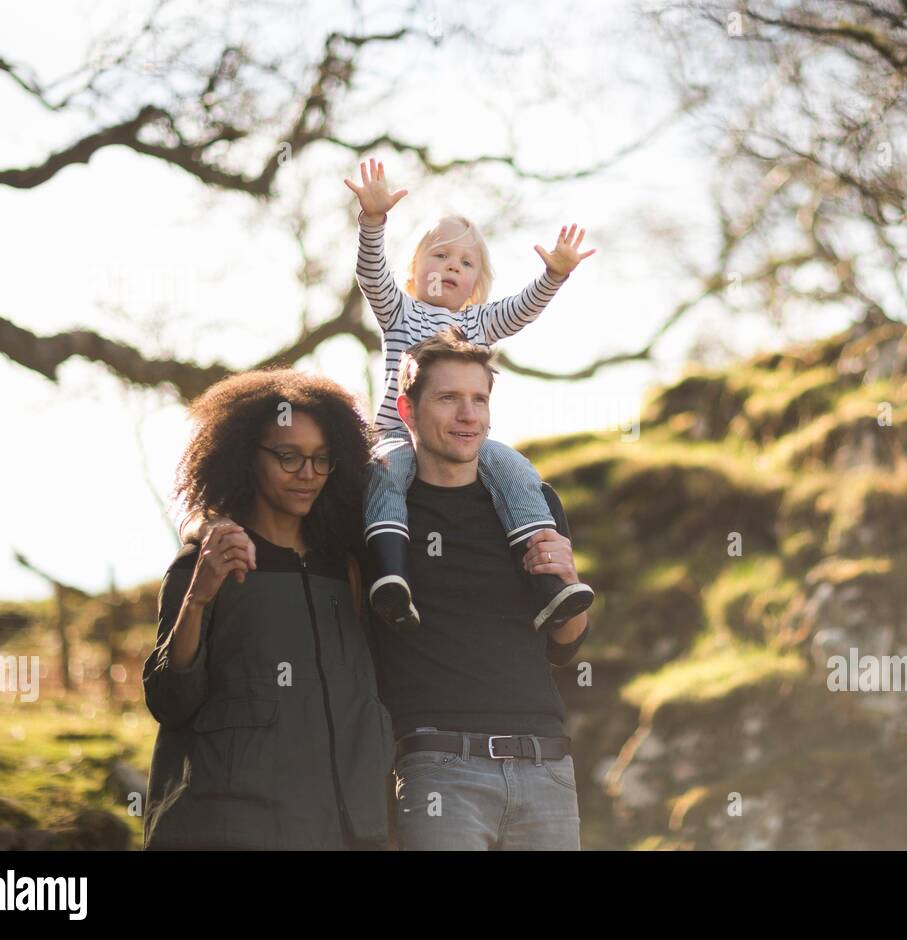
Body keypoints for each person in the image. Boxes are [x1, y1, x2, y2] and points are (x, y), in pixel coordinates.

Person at [143, 369, 395, 850]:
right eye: (288, 457)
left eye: (323, 460)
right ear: (244, 458)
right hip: (227, 832)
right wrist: (198, 599)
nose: (308, 475)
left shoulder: (349, 569)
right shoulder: (204, 565)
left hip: (348, 835)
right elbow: (169, 701)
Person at [343, 157, 595, 633]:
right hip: (400, 434)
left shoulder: (479, 323)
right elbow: (372, 274)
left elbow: (522, 310)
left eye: (465, 262)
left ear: (476, 284)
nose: (452, 267)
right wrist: (373, 220)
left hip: (464, 443)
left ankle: (551, 587)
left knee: (517, 470)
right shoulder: (400, 310)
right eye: (439, 256)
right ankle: (392, 578)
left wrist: (555, 275)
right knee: (385, 476)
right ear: (415, 272)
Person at [374, 328, 592, 850]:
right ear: (408, 408)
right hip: (438, 766)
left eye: (479, 400)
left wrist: (569, 581)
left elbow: (566, 645)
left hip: (546, 765)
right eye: (449, 398)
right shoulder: (381, 513)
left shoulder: (531, 505)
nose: (468, 415)